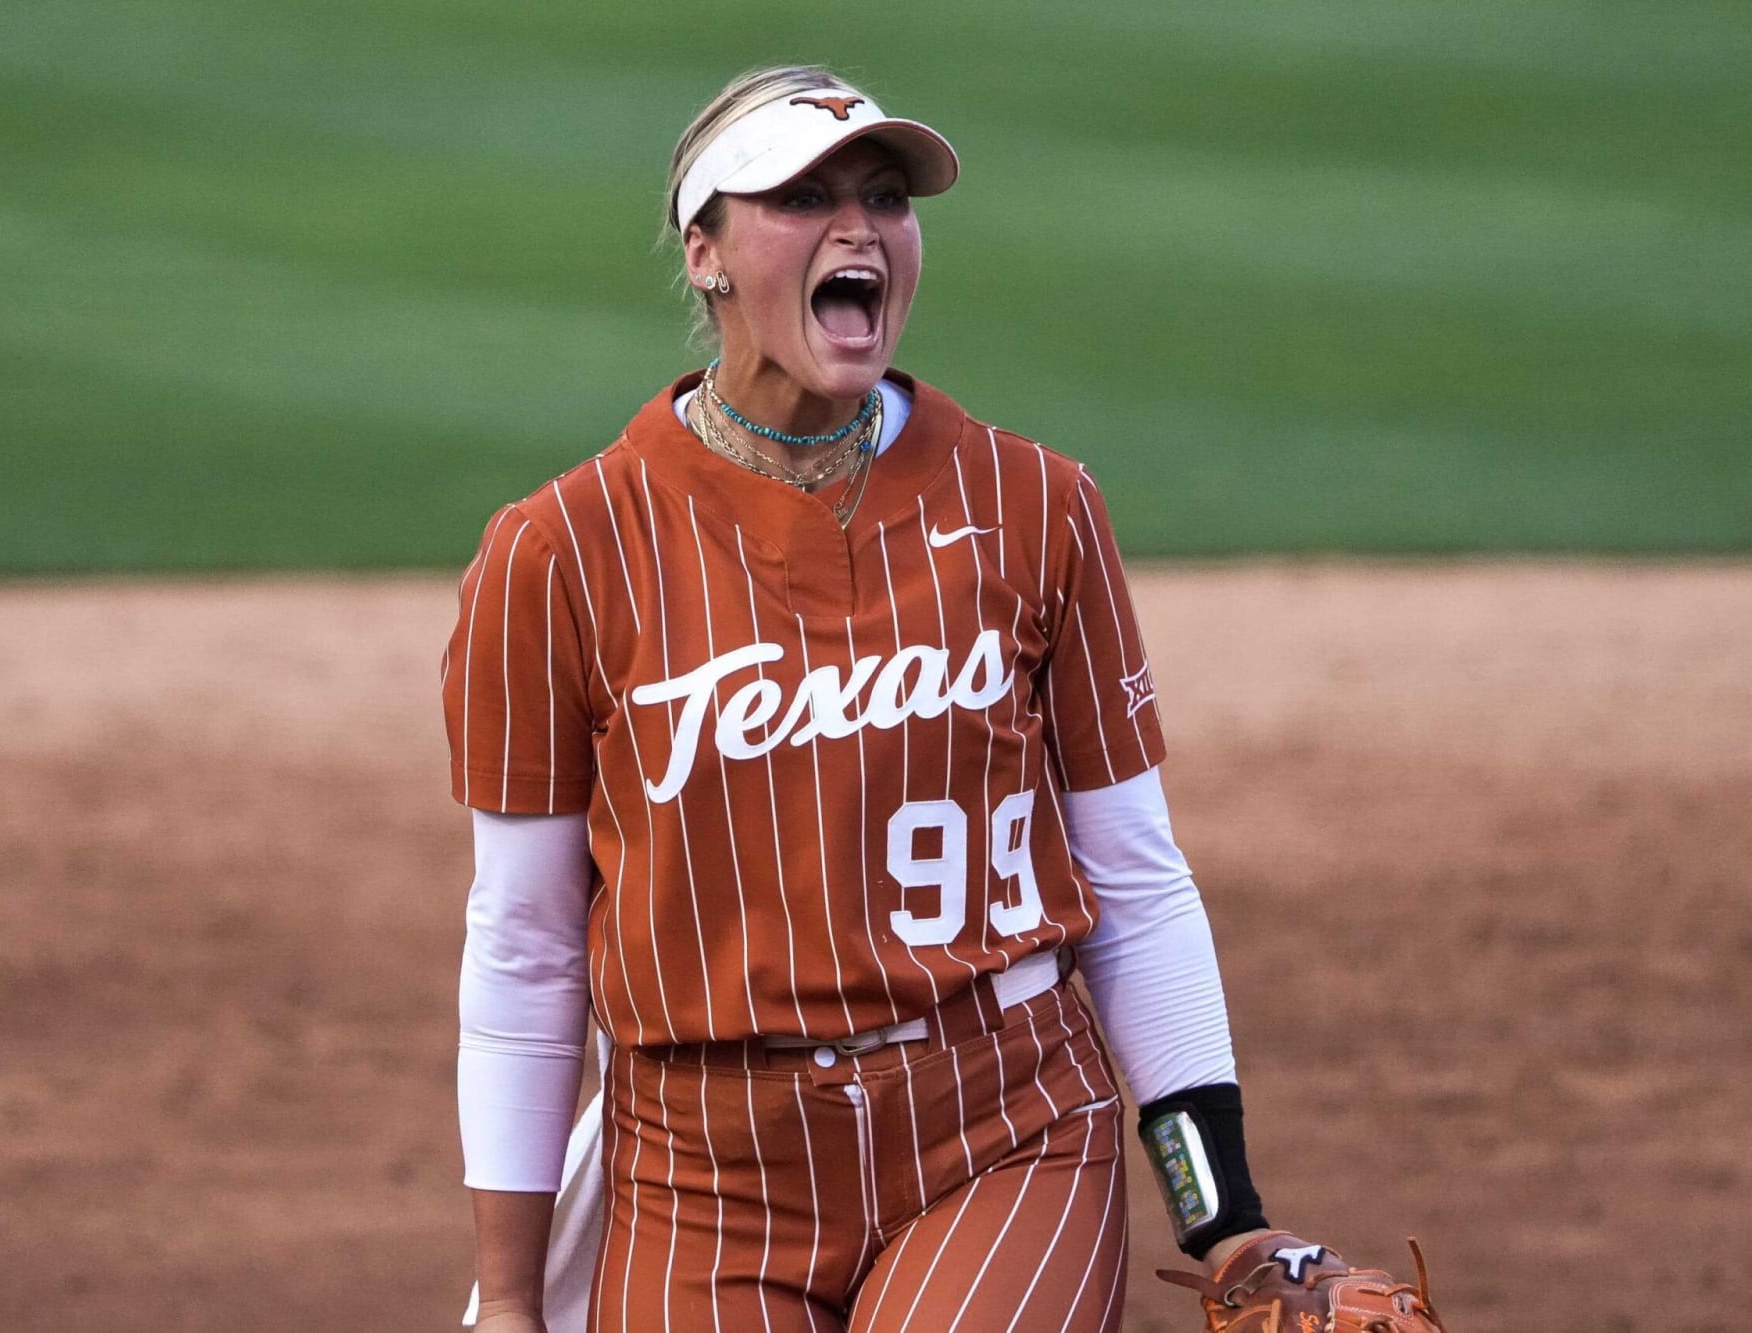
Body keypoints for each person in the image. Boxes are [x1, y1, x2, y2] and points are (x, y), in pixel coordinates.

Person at [441, 65, 1441, 1333]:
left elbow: (1130, 882)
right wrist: (516, 1302)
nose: (858, 227)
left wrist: (1220, 1211)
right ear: (704, 252)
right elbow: (526, 945)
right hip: (701, 1173)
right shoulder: (562, 552)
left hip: (996, 1131)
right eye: (802, 198)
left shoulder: (1034, 507)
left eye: (884, 197)